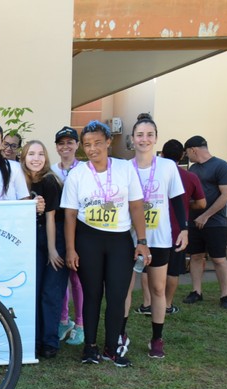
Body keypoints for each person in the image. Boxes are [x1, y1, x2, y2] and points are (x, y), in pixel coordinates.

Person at [60, 120, 150, 367]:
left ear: (109, 142)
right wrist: (70, 248)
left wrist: (142, 241)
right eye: (87, 144)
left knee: (117, 295)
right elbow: (69, 213)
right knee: (92, 294)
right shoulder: (77, 174)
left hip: (120, 240)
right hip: (88, 239)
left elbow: (135, 206)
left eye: (98, 143)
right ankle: (90, 347)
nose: (92, 149)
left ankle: (113, 346)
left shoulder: (124, 169)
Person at [122, 115, 187, 359]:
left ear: (156, 138)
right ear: (132, 139)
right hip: (128, 237)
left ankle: (157, 339)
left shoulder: (168, 166)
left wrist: (185, 228)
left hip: (159, 238)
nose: (144, 139)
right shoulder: (124, 168)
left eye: (149, 135)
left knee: (158, 289)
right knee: (124, 288)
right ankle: (121, 334)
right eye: (140, 135)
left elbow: (177, 199)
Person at [20, 140, 68, 359]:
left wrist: (52, 250)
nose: (36, 158)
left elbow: (50, 219)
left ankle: (50, 341)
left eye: (40, 154)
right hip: (30, 238)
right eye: (31, 154)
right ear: (24, 157)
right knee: (34, 290)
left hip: (52, 237)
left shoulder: (50, 181)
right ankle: (35, 341)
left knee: (51, 291)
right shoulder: (21, 181)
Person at [182, 136, 227, 309]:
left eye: (187, 153)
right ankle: (197, 291)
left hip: (215, 222)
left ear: (193, 150)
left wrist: (206, 216)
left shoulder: (221, 166)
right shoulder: (194, 169)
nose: (187, 157)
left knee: (219, 259)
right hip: (194, 222)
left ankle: (225, 295)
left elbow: (226, 195)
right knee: (196, 256)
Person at [157, 140, 206, 314]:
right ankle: (167, 304)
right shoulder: (190, 177)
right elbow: (201, 203)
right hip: (178, 230)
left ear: (161, 154)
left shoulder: (155, 174)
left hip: (155, 229)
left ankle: (148, 303)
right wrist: (186, 205)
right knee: (173, 271)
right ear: (182, 156)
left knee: (150, 268)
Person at [51, 126, 85, 346]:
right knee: (61, 275)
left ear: (77, 145)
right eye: (61, 143)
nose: (66, 146)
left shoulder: (85, 169)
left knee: (77, 277)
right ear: (56, 147)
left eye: (70, 142)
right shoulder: (51, 170)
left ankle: (81, 324)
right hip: (57, 227)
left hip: (80, 227)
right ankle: (64, 319)